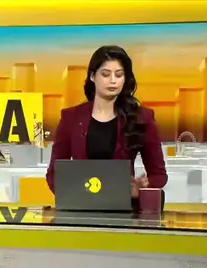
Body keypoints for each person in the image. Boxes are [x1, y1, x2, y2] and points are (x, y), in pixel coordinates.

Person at [45, 45, 167, 202]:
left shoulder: (142, 118)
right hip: (80, 207)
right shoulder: (71, 118)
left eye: (119, 74)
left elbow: (158, 174)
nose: (113, 80)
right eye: (105, 74)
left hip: (124, 208)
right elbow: (54, 173)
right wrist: (73, 196)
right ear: (92, 76)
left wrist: (142, 187)